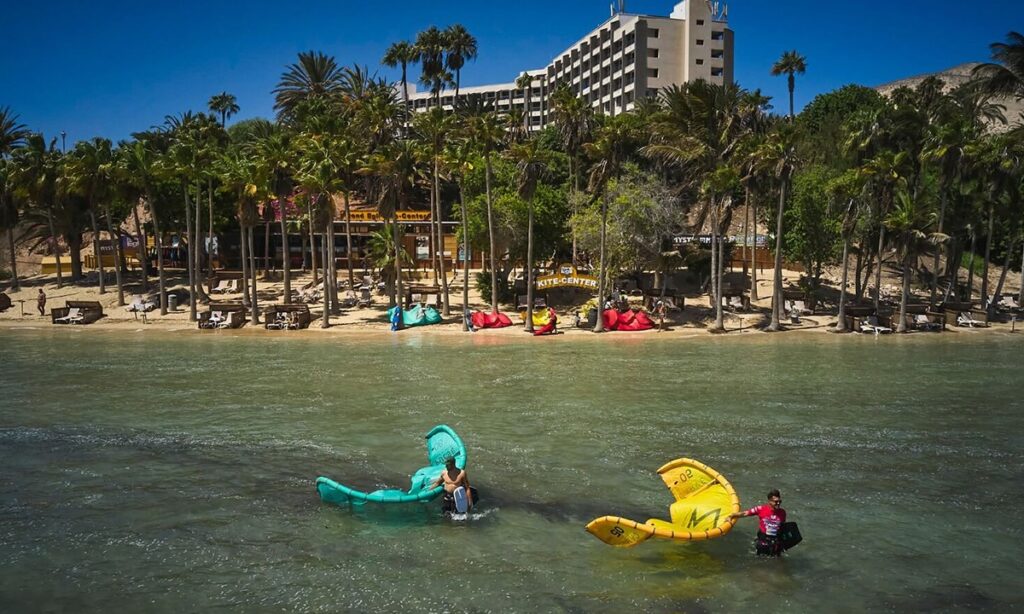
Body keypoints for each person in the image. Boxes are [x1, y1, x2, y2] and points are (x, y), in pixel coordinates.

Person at [729, 489, 786, 556]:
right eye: (776, 502)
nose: (778, 503)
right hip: (763, 541)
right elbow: (745, 513)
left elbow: (783, 527)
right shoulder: (761, 509)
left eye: (780, 501)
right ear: (770, 501)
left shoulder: (782, 512)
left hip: (775, 543)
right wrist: (731, 516)